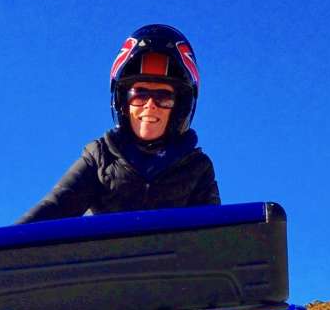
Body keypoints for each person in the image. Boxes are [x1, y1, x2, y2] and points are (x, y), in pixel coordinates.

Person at [17, 24, 220, 223]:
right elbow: (52, 210)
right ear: (122, 102)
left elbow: (213, 237)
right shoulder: (101, 157)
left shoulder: (197, 168)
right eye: (139, 94)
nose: (150, 105)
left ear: (180, 107)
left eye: (163, 96)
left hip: (170, 256)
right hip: (103, 256)